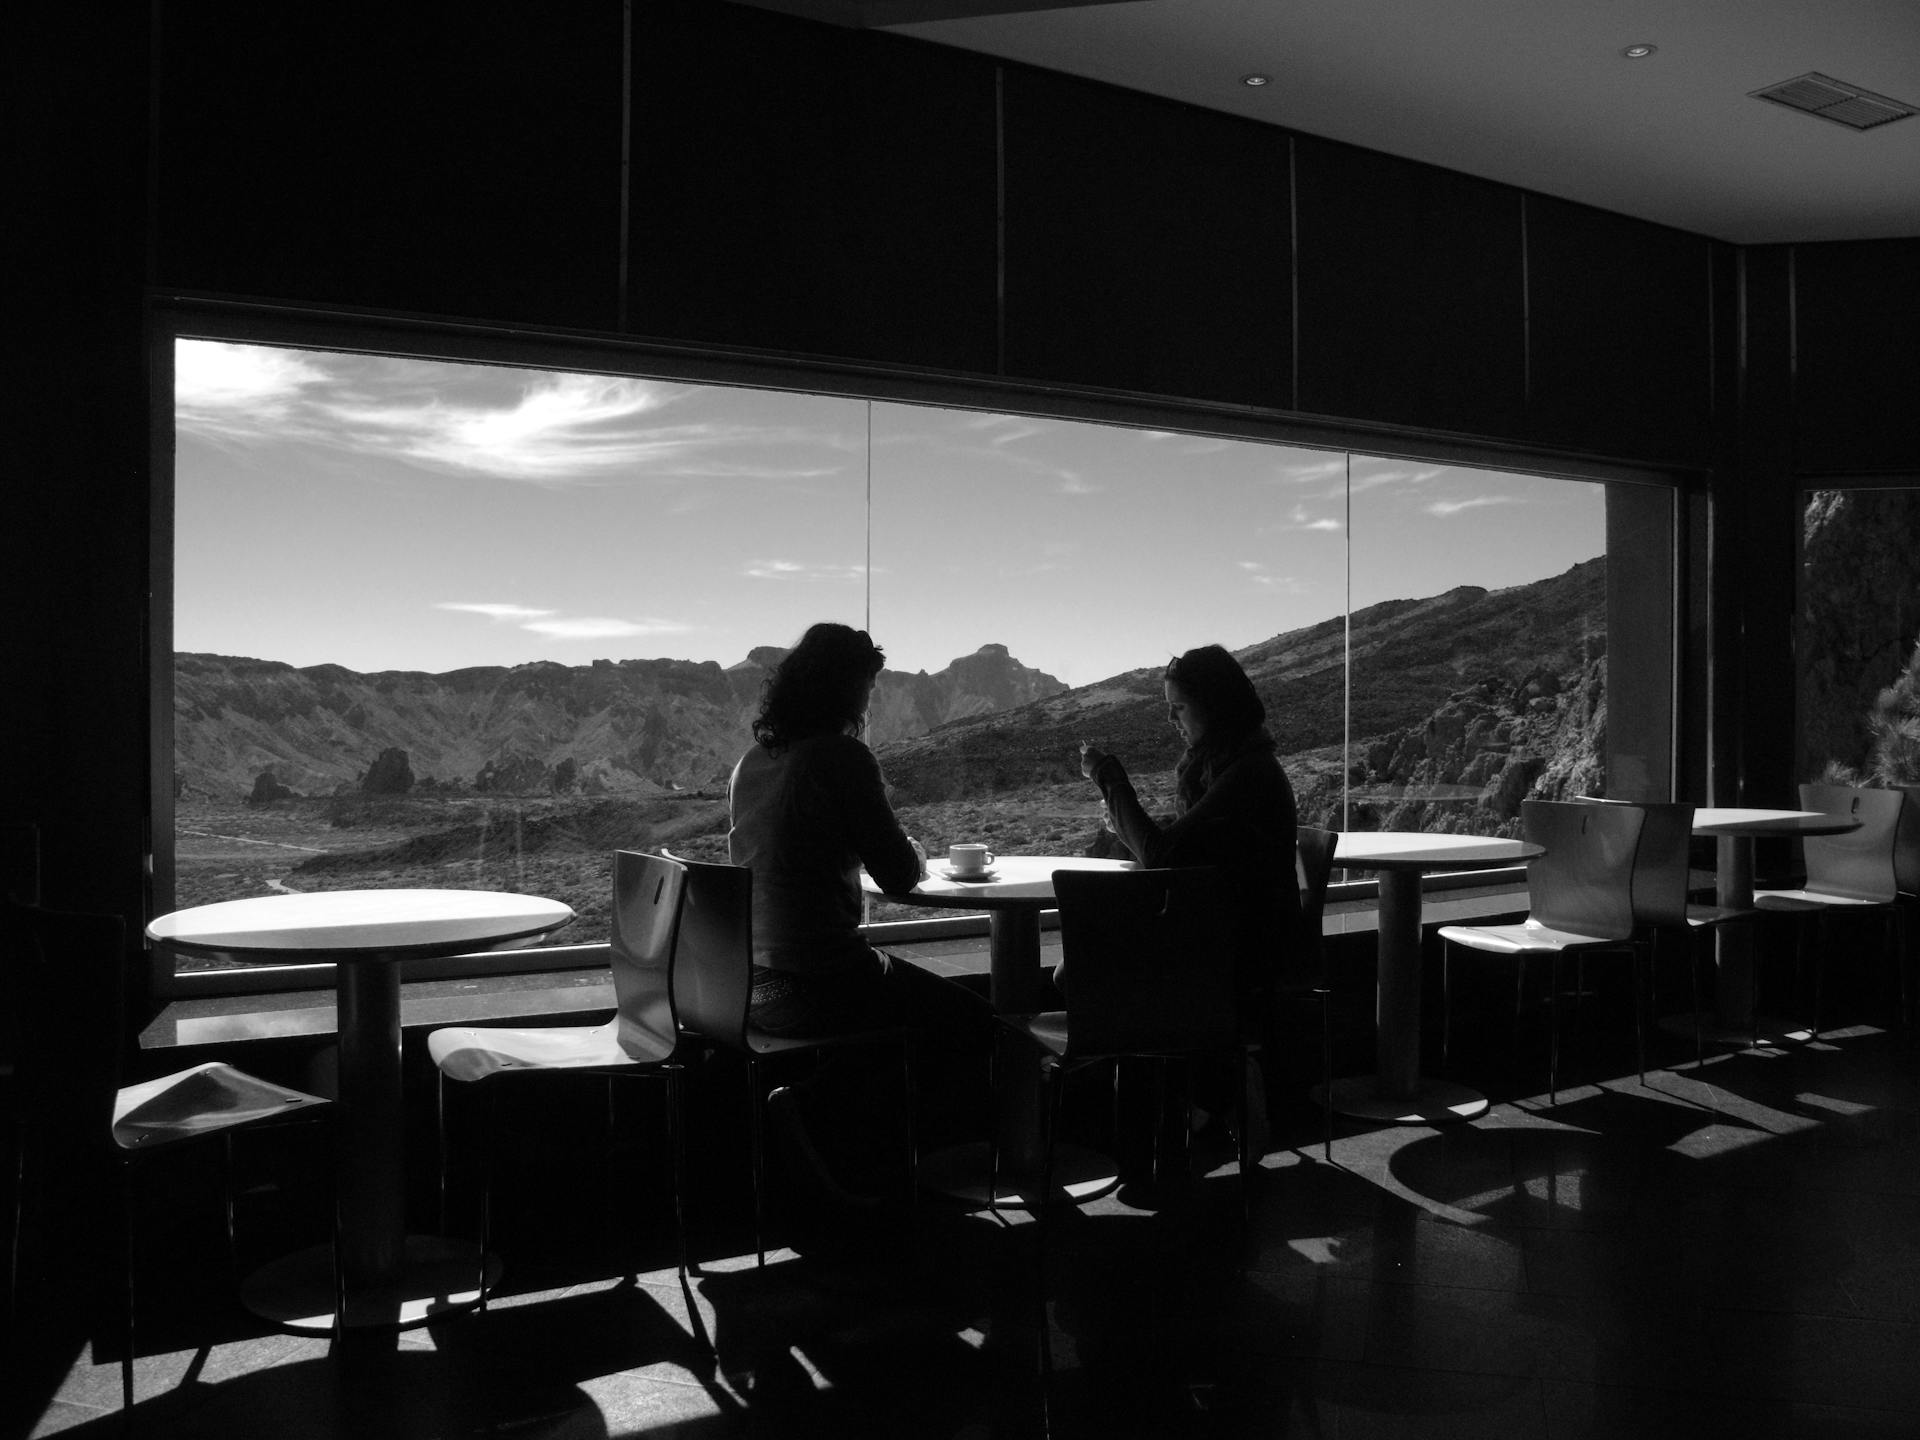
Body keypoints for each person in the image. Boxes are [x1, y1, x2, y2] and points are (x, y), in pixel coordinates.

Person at [728, 621, 991, 1218]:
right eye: (866, 689)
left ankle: (855, 1145)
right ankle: (838, 1123)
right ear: (846, 691)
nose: (869, 703)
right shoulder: (841, 757)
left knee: (899, 1013)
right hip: (820, 978)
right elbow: (899, 875)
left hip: (752, 982)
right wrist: (917, 849)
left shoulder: (753, 762)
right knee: (976, 1024)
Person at [1076, 643, 1301, 1151]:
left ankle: (1198, 1098)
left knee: (1085, 976)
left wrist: (1107, 776)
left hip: (1241, 953)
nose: (1172, 721)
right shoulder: (1229, 765)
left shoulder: (1247, 776)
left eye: (1179, 708)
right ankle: (1199, 1097)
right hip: (1220, 938)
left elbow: (1161, 852)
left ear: (1215, 705)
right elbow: (1180, 848)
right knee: (1084, 973)